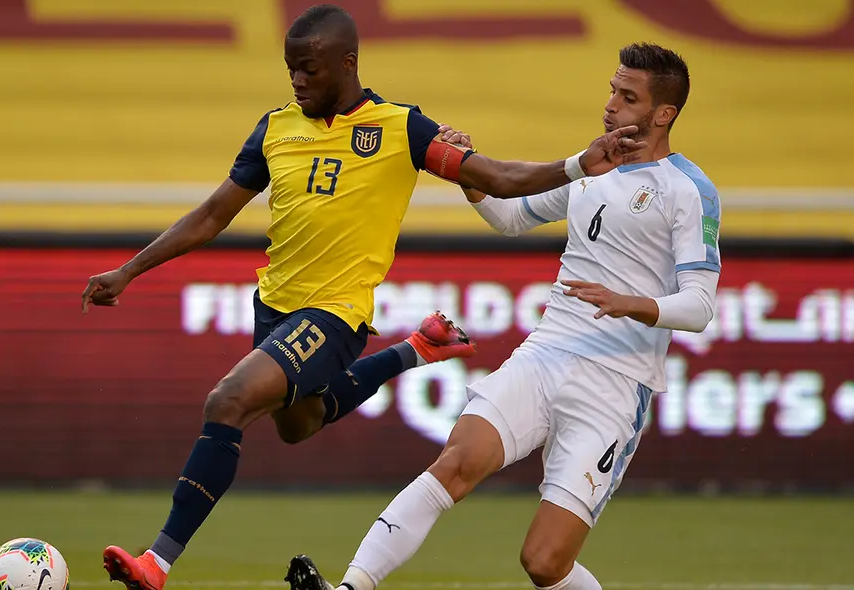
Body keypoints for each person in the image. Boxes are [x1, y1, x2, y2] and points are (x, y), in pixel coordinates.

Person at [82, 5, 647, 590]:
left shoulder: (402, 128)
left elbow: (499, 177)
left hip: (334, 315)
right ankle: (416, 350)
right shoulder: (274, 128)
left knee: (227, 400)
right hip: (274, 305)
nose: (298, 82)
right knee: (296, 425)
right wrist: (129, 270)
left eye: (309, 69)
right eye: (291, 70)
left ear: (346, 63)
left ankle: (158, 562)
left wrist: (580, 163)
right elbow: (211, 215)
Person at [285, 42, 719, 590]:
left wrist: (628, 302)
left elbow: (700, 306)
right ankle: (350, 588)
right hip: (545, 354)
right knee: (455, 464)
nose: (611, 104)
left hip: (616, 384)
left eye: (627, 97)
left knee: (543, 563)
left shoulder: (688, 190)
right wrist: (469, 174)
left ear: (664, 114)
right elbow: (512, 218)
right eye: (612, 89)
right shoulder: (592, 167)